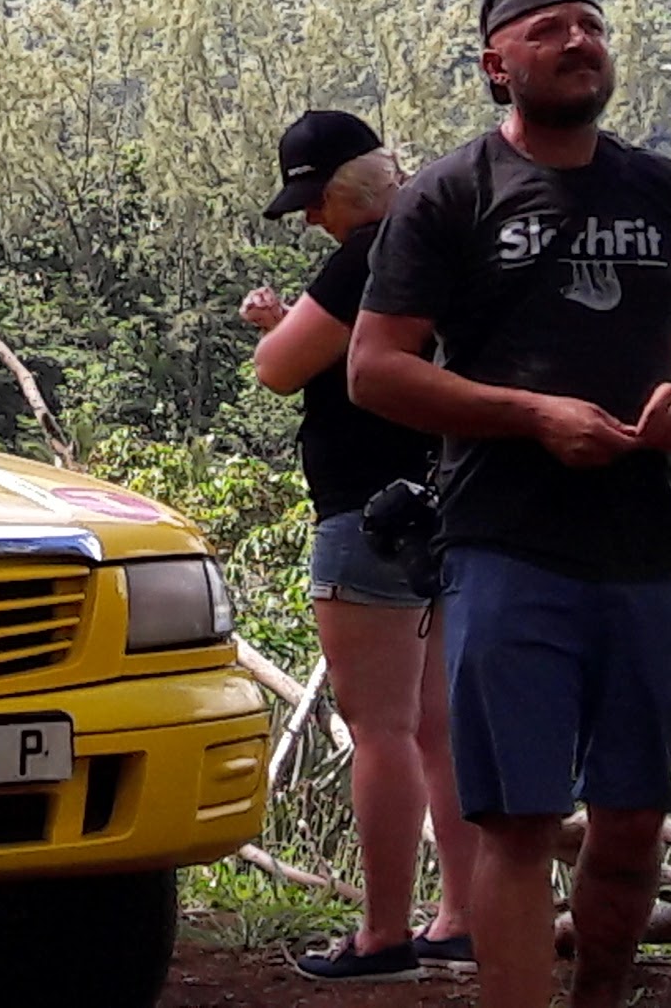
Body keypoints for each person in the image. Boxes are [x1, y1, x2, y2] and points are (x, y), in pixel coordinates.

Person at [347, 0, 671, 1008]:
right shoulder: (451, 193)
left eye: (590, 26)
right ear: (497, 64)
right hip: (506, 545)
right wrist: (532, 415)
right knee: (518, 823)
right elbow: (374, 370)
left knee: (634, 816)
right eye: (549, 30)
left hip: (648, 545)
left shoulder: (668, 193)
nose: (578, 42)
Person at [239, 106, 476, 978]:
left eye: (316, 202)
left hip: (367, 516)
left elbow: (278, 369)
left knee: (379, 729)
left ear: (353, 193)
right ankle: (461, 919)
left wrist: (278, 328)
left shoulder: (367, 257)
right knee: (441, 726)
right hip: (452, 505)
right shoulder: (449, 244)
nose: (311, 219)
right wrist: (289, 322)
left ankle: (382, 934)